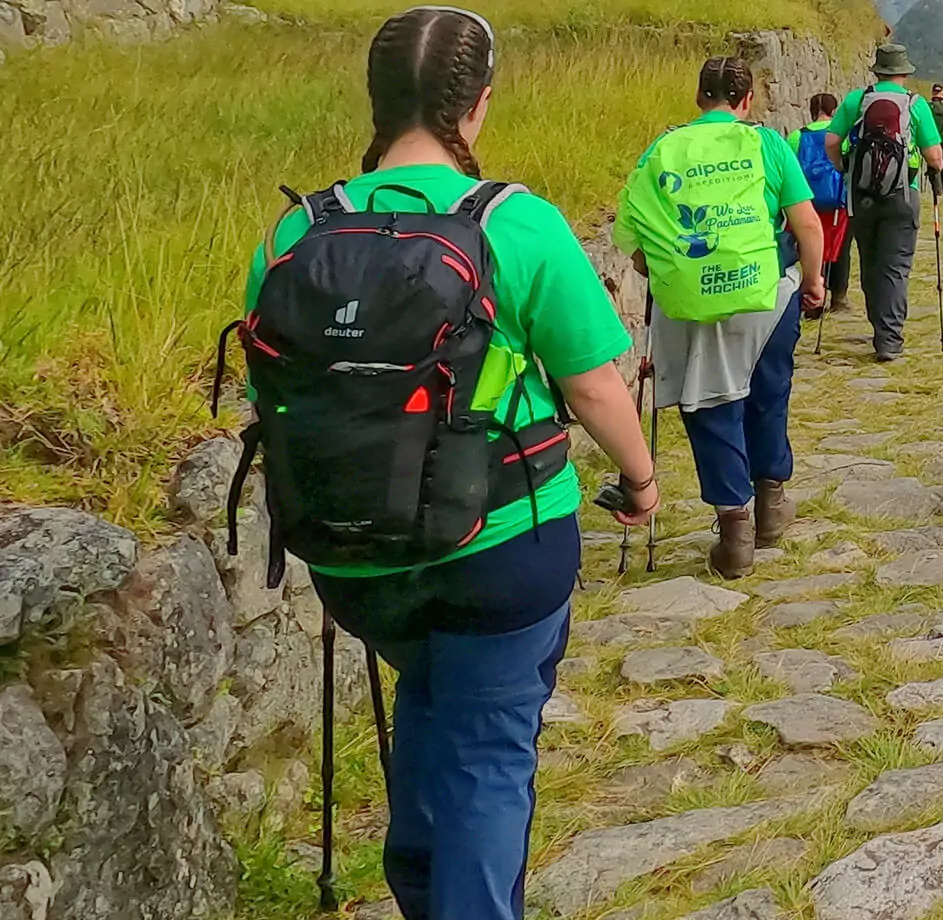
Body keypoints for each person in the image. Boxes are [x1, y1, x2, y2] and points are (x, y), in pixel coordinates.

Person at [240, 8, 657, 918]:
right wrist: (641, 478)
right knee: (486, 750)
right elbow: (593, 388)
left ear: (377, 101)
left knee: (431, 694)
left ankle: (421, 884)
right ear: (477, 108)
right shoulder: (517, 225)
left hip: (354, 559)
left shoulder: (294, 233)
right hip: (502, 548)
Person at [614, 56, 828, 577]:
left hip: (689, 304)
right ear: (747, 100)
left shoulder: (662, 150)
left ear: (698, 98)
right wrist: (816, 281)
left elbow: (636, 247)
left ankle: (735, 534)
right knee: (768, 393)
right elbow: (807, 225)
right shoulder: (766, 144)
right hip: (768, 298)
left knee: (709, 406)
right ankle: (772, 507)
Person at [827, 44, 943, 362]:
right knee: (895, 267)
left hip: (862, 196)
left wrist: (844, 167)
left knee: (870, 263)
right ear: (905, 73)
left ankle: (879, 326)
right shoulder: (915, 104)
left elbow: (831, 141)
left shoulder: (856, 99)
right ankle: (888, 340)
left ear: (877, 71)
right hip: (902, 194)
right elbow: (935, 157)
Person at [795, 93, 851, 302]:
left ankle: (814, 294)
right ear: (834, 111)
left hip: (808, 202)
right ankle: (839, 296)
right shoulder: (840, 137)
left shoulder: (797, 136)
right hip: (839, 201)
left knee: (811, 245)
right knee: (841, 247)